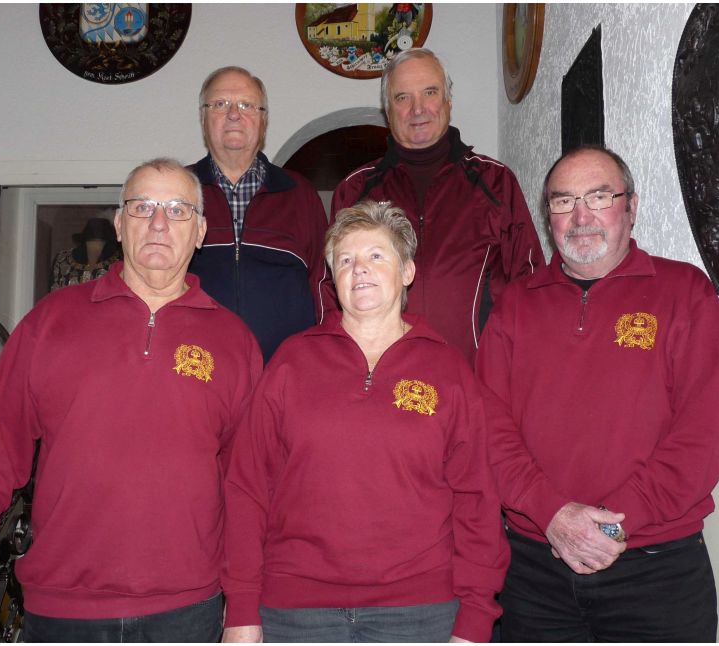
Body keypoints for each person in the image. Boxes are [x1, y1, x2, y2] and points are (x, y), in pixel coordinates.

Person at [0, 158, 263, 642]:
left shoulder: (234, 342)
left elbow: (247, 487)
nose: (158, 222)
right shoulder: (51, 322)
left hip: (188, 609)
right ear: (119, 224)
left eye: (177, 209)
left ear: (199, 232)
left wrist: (243, 606)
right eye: (142, 207)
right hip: (62, 608)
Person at [222, 201, 509, 643]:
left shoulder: (448, 370)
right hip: (297, 612)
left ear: (407, 271)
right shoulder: (291, 362)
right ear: (332, 278)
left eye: (376, 255)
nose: (359, 269)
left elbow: (477, 501)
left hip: (420, 613)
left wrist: (475, 619)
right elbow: (247, 488)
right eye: (345, 260)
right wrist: (241, 608)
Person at [475, 145, 719, 642]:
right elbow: (489, 430)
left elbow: (701, 440)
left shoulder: (684, 293)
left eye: (599, 197)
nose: (581, 216)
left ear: (631, 206)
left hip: (657, 572)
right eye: (563, 201)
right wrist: (552, 514)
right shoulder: (514, 306)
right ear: (548, 215)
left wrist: (610, 527)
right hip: (534, 572)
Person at [329, 48, 544, 366]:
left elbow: (531, 284)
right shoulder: (355, 190)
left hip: (475, 376)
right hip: (381, 376)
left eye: (430, 92)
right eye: (403, 97)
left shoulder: (495, 182)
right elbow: (330, 291)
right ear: (387, 110)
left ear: (448, 101)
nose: (417, 109)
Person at [188, 66, 329, 363]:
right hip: (194, 372)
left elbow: (324, 286)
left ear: (263, 121)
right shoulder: (177, 193)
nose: (234, 114)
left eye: (246, 105)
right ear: (202, 118)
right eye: (220, 104)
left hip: (285, 374)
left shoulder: (300, 194)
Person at [50, 216, 121, 291]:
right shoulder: (62, 260)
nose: (95, 246)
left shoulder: (121, 261)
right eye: (92, 242)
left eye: (100, 242)